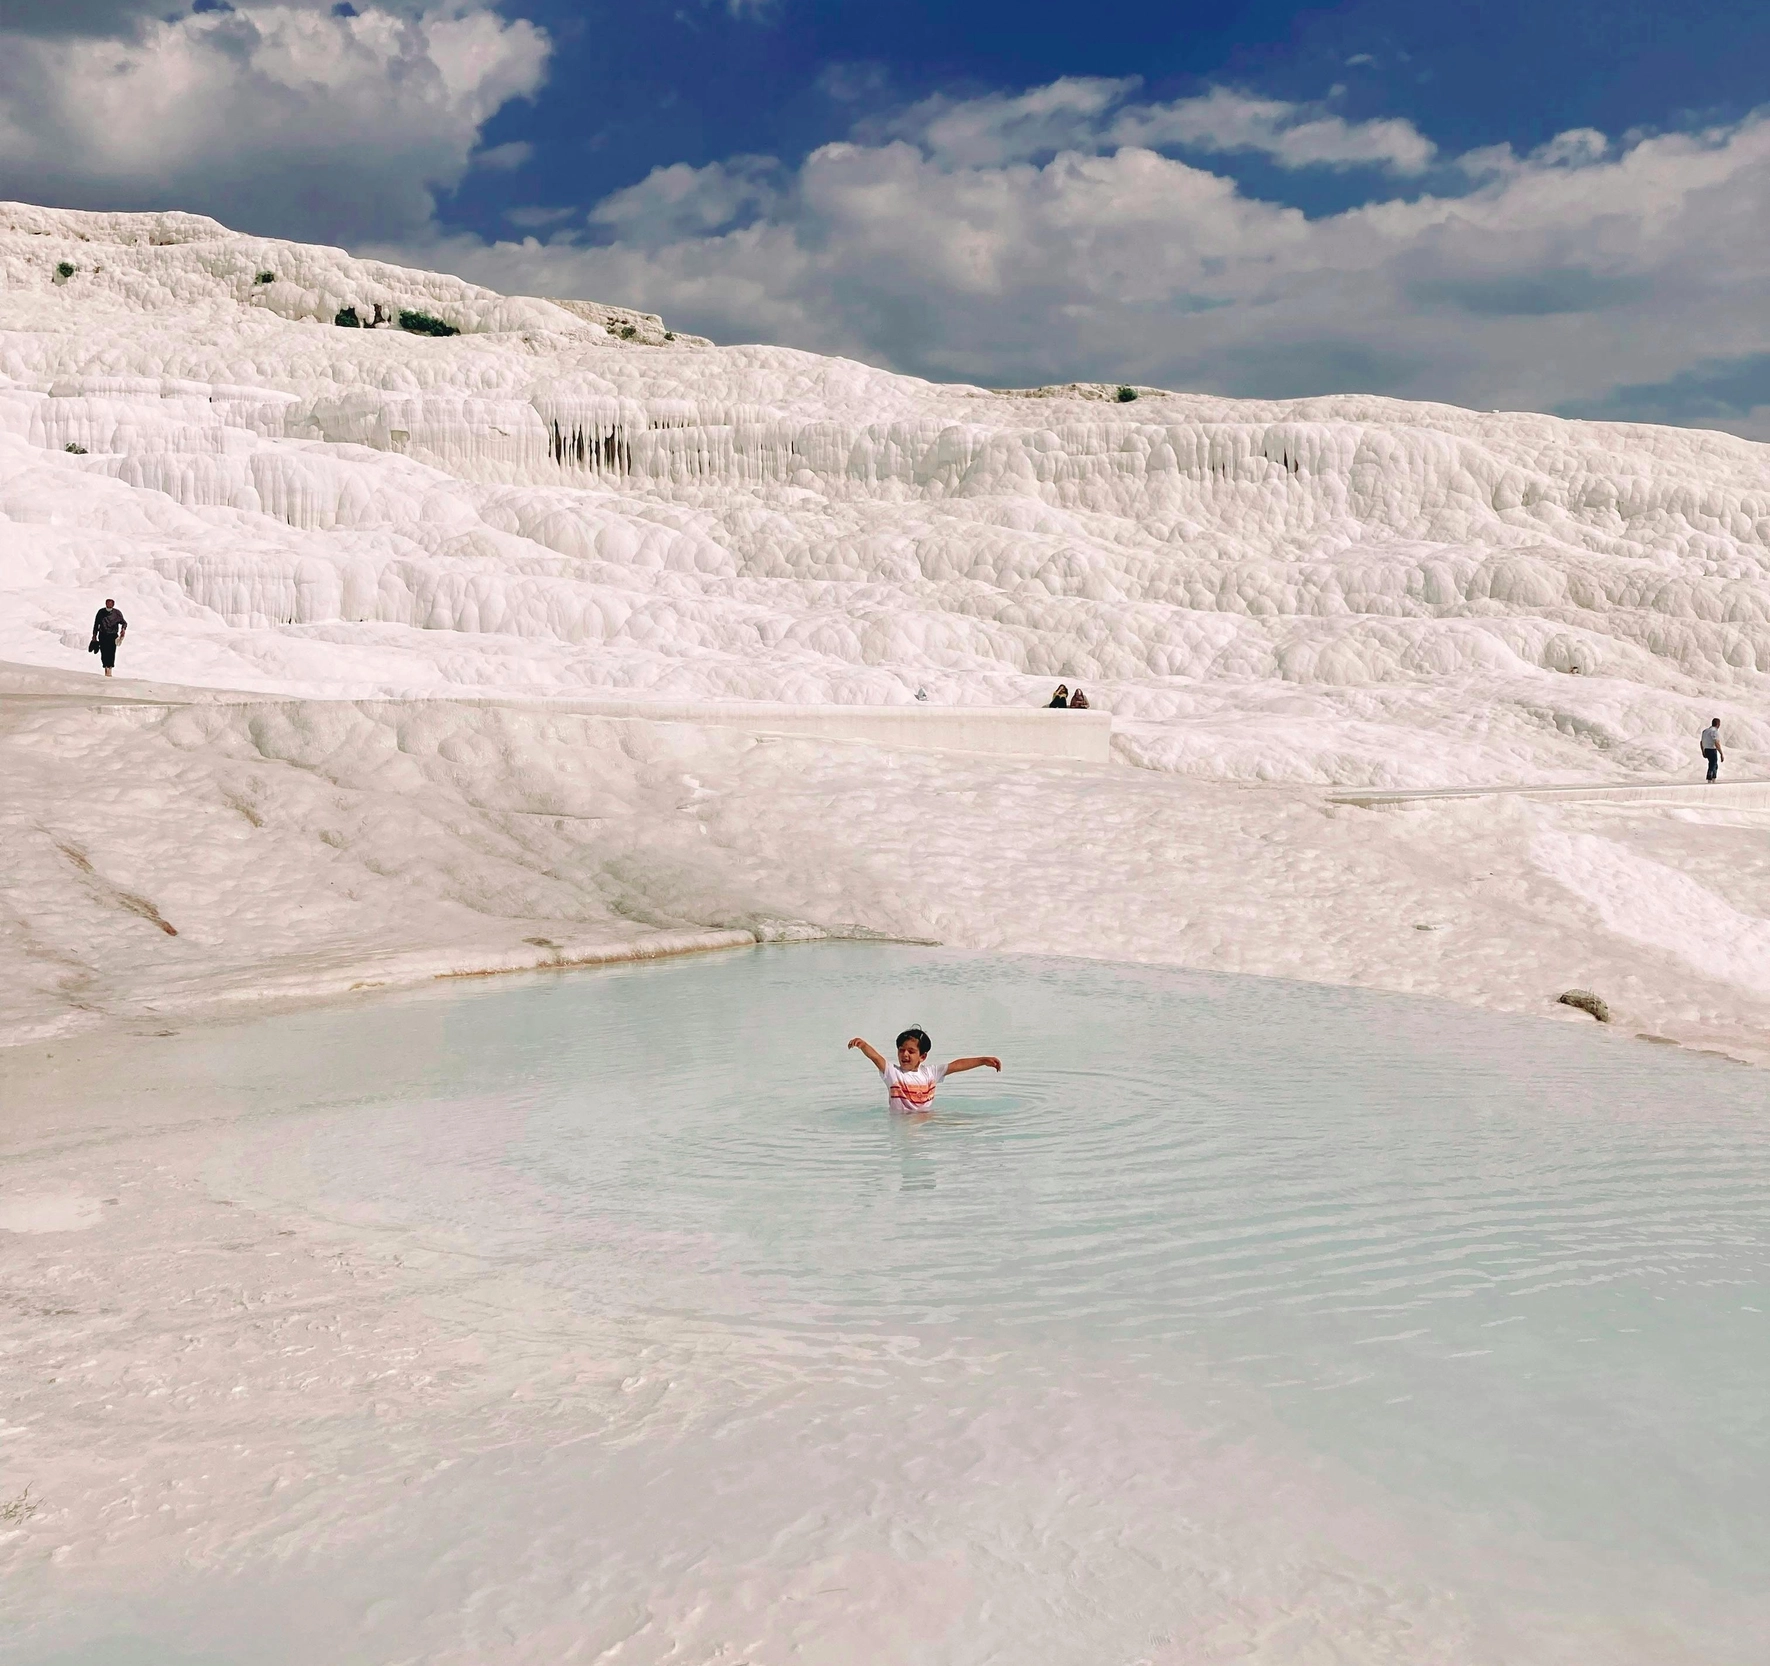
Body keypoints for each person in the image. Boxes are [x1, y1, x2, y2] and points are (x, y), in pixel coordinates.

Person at [847, 1027, 1001, 1115]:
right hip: (903, 1125)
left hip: (927, 1121)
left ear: (923, 1056)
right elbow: (876, 1057)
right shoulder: (892, 1074)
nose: (905, 1054)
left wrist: (983, 1060)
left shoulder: (930, 1074)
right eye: (901, 1050)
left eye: (911, 1051)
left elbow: (957, 1065)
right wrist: (863, 1045)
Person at [89, 598, 127, 677]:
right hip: (103, 635)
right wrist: (94, 636)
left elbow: (124, 623)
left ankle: (109, 669)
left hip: (112, 636)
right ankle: (106, 668)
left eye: (110, 605)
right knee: (103, 652)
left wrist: (123, 630)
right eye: (107, 604)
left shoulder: (117, 613)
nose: (108, 606)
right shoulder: (101, 612)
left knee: (111, 652)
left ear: (113, 605)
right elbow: (96, 624)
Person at [1700, 715, 1724, 782]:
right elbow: (1716, 743)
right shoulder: (1714, 732)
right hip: (1712, 750)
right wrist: (1721, 753)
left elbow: (1701, 742)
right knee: (1713, 764)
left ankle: (1713, 778)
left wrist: (1703, 751)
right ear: (1718, 724)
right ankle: (1710, 778)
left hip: (1706, 749)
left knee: (1714, 764)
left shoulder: (1705, 731)